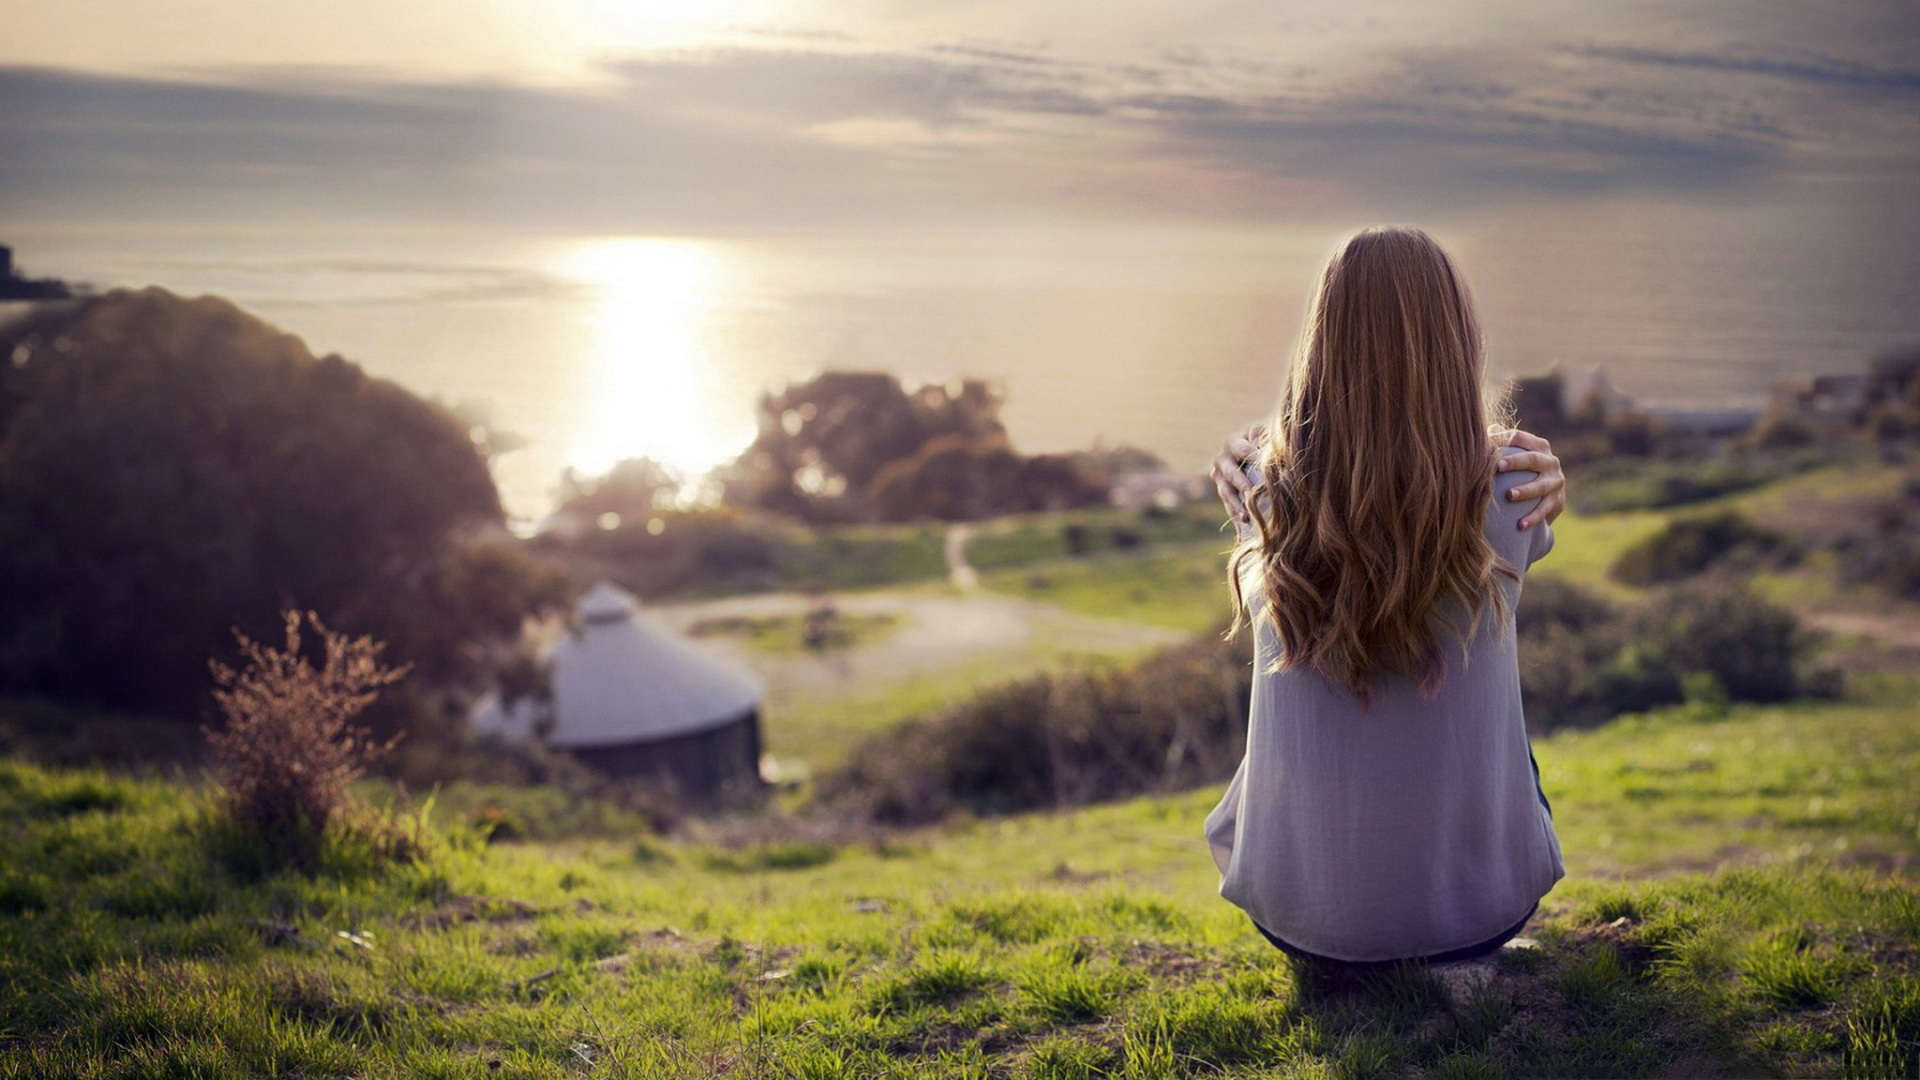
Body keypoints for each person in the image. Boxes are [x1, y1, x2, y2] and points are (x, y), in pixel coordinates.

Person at [1203, 226, 1566, 966]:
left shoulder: (1265, 491)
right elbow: (1517, 511)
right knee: (1513, 752)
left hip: (1298, 922)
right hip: (1475, 920)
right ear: (1455, 341)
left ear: (1320, 343)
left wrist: (1247, 454)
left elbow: (1292, 459)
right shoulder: (1510, 487)